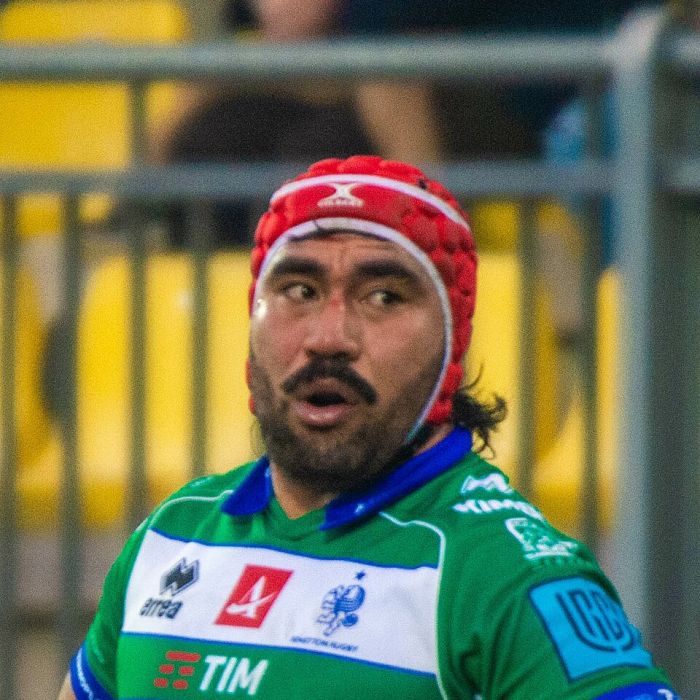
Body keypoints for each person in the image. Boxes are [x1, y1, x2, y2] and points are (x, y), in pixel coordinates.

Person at [58, 155, 677, 699]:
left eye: (383, 297)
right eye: (299, 290)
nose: (329, 338)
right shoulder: (171, 535)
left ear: (451, 344)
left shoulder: (506, 575)